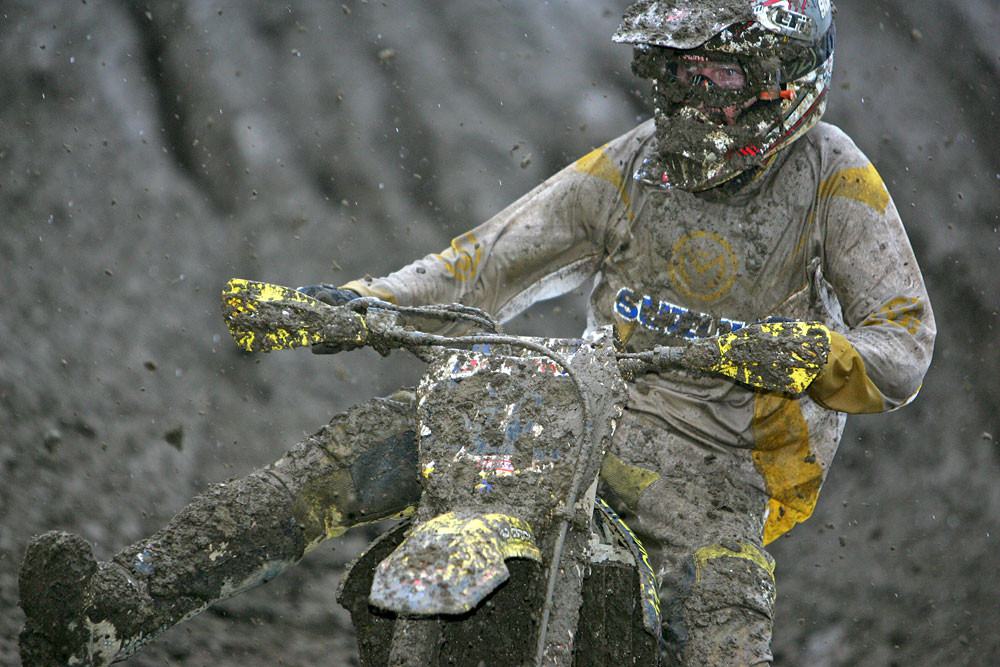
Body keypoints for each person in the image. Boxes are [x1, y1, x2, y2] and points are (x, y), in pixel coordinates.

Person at [18, 0, 935, 664]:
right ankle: (119, 600)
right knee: (352, 454)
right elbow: (482, 264)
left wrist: (817, 354)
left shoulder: (831, 177)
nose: (694, 95)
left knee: (723, 621)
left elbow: (904, 344)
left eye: (719, 74)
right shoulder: (631, 166)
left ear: (784, 78)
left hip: (726, 466)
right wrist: (355, 306)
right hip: (591, 409)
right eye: (677, 69)